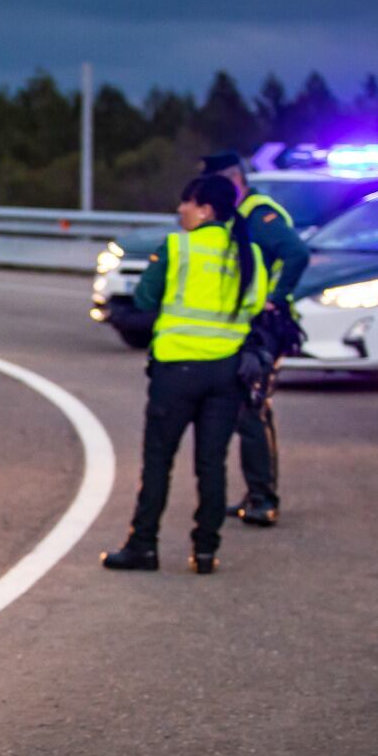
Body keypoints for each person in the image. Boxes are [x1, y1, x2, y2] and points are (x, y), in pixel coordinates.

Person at [102, 175, 269, 575]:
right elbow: (257, 306)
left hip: (176, 372)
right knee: (211, 464)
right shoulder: (249, 256)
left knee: (158, 462)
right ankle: (206, 550)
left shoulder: (178, 247)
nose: (181, 210)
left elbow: (144, 298)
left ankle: (144, 546)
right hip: (226, 373)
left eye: (187, 203)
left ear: (206, 209)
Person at [199, 150, 309, 527]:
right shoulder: (237, 217)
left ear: (233, 180)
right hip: (247, 326)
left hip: (265, 329)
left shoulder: (259, 214)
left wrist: (274, 301)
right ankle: (256, 492)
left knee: (252, 408)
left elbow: (296, 254)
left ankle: (264, 498)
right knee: (250, 409)